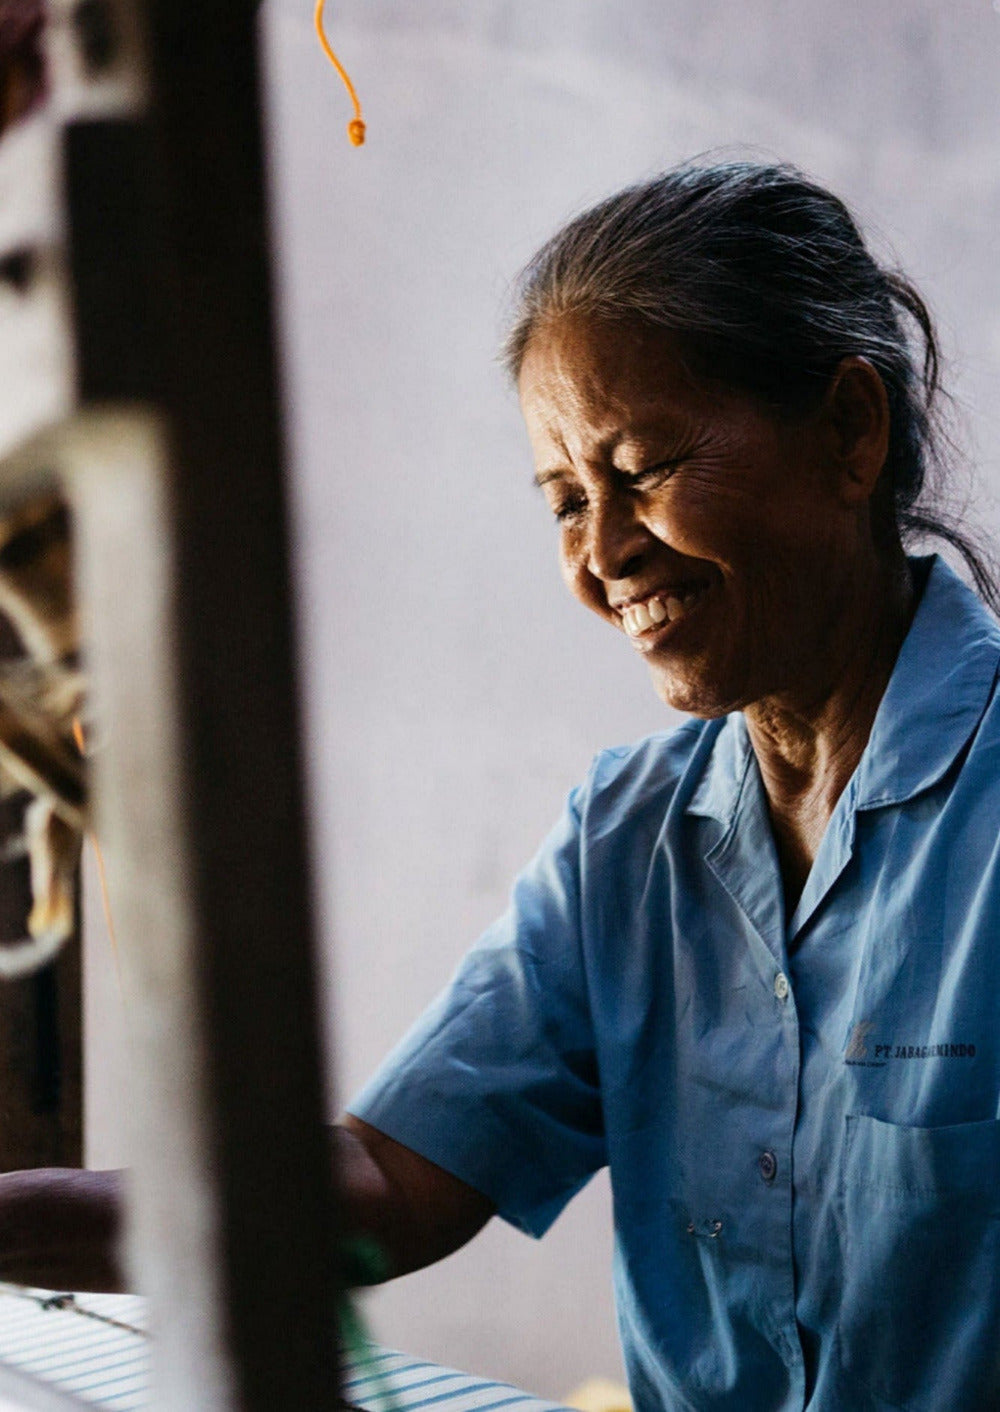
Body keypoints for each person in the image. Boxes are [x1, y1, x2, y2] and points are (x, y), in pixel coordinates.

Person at [3, 158, 999, 1411]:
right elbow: (386, 1181)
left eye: (641, 472)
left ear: (850, 433)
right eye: (565, 501)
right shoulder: (629, 840)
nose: (602, 556)